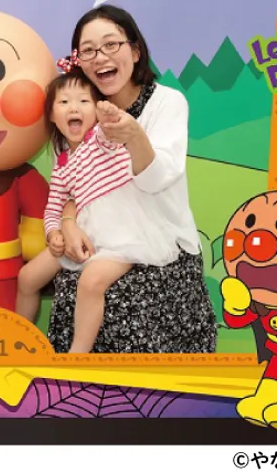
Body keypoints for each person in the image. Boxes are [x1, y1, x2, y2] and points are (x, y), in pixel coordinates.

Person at [47, 4, 218, 354]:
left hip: (160, 249)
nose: (100, 57)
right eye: (88, 50)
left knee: (122, 304)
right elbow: (72, 181)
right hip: (100, 240)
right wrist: (67, 223)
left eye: (111, 44)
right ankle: (71, 371)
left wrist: (134, 135)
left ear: (135, 51)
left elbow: (157, 179)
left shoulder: (166, 102)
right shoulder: (80, 108)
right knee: (68, 284)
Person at [16, 67, 182, 353]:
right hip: (87, 234)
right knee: (27, 278)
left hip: (125, 235)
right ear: (52, 116)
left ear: (95, 110)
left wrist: (109, 116)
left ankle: (77, 356)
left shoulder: (100, 140)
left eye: (84, 101)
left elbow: (111, 132)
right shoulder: (62, 164)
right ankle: (19, 342)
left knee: (91, 281)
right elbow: (53, 208)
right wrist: (54, 234)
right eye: (64, 102)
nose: (74, 108)